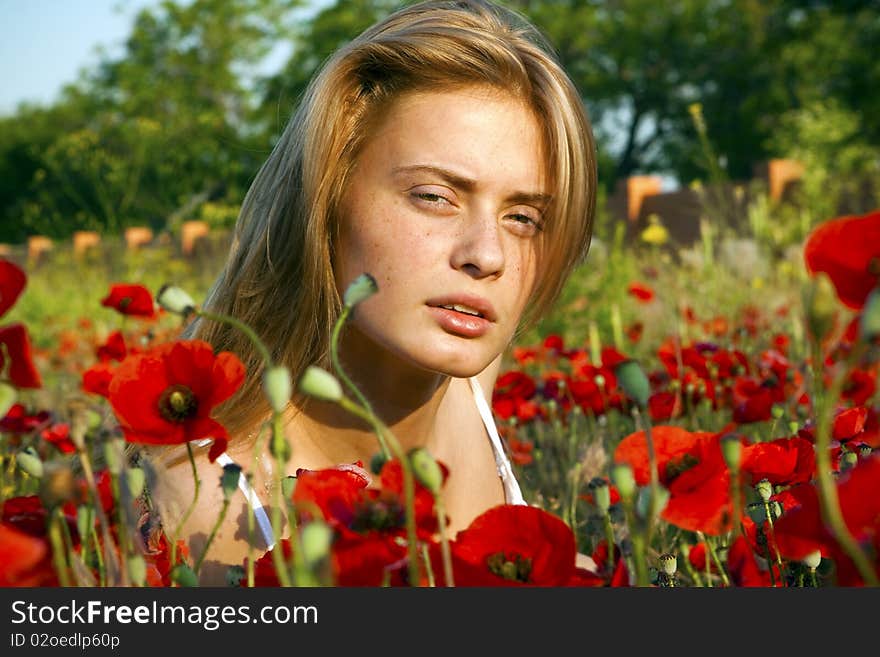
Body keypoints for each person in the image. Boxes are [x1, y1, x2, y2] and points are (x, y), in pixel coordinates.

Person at [148, 0, 596, 585]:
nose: (487, 256)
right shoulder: (208, 507)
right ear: (325, 198)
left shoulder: (467, 375)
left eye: (523, 218)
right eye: (435, 196)